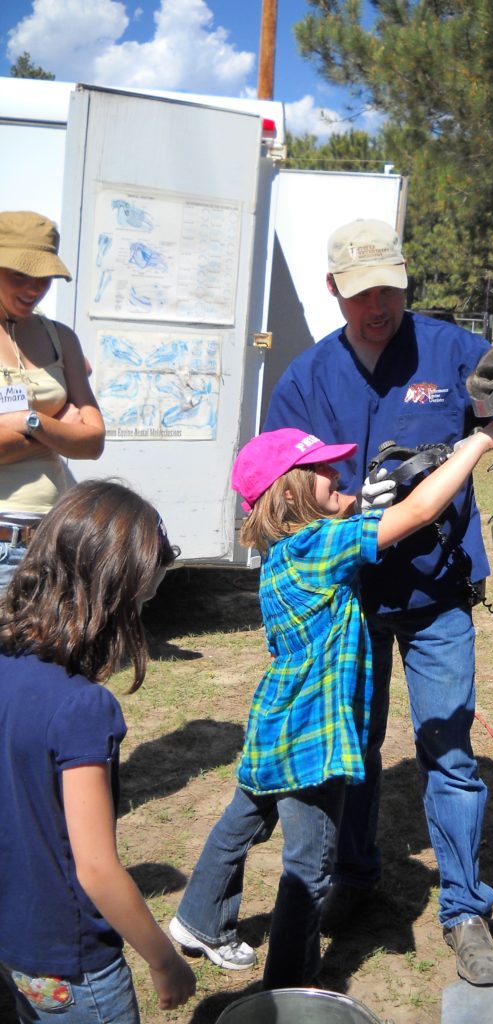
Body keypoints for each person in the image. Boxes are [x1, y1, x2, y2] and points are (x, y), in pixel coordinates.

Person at [168, 417, 493, 987]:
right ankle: (288, 988)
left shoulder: (287, 550)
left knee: (242, 821)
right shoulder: (319, 547)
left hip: (277, 719)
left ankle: (196, 920)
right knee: (309, 866)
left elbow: (347, 520)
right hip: (315, 734)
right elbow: (416, 515)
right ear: (289, 492)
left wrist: (351, 502)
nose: (338, 471)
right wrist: (478, 444)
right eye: (321, 470)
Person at [260, 219, 493, 985]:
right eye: (363, 290)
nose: (379, 304)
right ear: (334, 289)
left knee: (451, 753)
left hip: (436, 594)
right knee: (353, 751)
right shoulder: (304, 379)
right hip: (350, 604)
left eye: (391, 287)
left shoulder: (455, 352)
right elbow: (280, 498)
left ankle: (465, 907)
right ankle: (356, 878)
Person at [0, 479, 195, 1023]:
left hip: (15, 943)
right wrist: (163, 961)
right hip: (74, 962)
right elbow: (96, 869)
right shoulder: (83, 708)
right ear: (119, 588)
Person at [0, 210, 105, 594]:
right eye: (19, 275)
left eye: (43, 277)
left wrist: (33, 420)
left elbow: (93, 443)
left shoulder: (61, 337)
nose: (34, 288)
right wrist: (61, 421)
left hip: (52, 537)